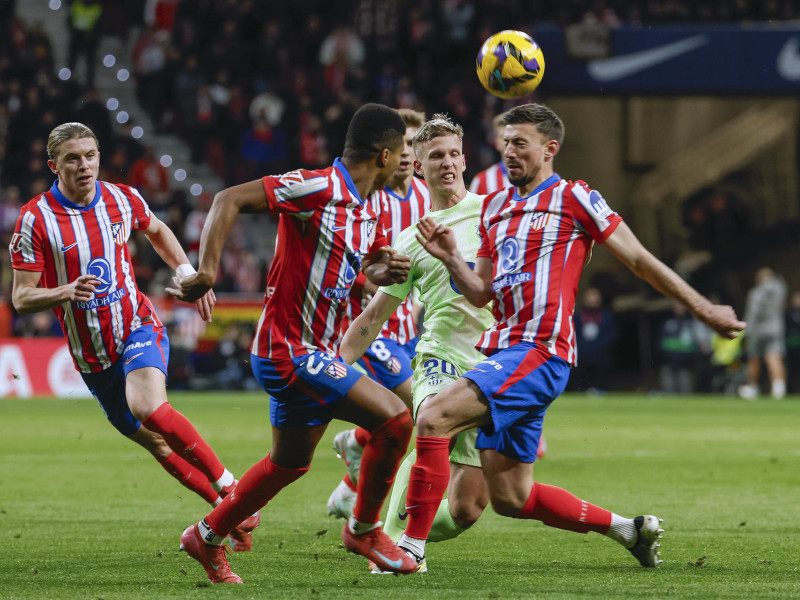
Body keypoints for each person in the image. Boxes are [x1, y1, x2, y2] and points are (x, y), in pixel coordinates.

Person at [395, 103, 746, 571]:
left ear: (550, 149)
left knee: (433, 417)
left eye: (520, 143)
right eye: (505, 143)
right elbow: (480, 292)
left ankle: (406, 548)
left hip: (540, 352)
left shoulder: (575, 198)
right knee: (510, 498)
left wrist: (704, 309)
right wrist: (451, 259)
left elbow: (639, 260)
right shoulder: (496, 208)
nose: (509, 152)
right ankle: (628, 529)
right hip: (504, 351)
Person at [168, 103, 420, 583]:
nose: (408, 159)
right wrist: (206, 272)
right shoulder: (317, 186)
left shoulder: (368, 211)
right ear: (384, 154)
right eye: (404, 150)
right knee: (395, 419)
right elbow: (227, 199)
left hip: (312, 354)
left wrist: (380, 271)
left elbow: (359, 269)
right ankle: (364, 528)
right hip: (290, 350)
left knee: (288, 464)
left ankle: (205, 536)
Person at [8, 122, 259, 550]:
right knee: (159, 446)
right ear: (54, 165)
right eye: (72, 158)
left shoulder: (123, 198)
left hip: (136, 323)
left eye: (90, 155)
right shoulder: (36, 219)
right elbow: (21, 297)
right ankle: (227, 513)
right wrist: (64, 291)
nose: (84, 165)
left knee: (148, 405)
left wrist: (187, 274)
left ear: (99, 157)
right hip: (93, 357)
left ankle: (230, 486)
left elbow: (158, 230)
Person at [337, 114, 496, 573]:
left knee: (468, 509)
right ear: (418, 167)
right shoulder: (412, 240)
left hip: (492, 364)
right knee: (430, 423)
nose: (446, 164)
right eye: (435, 157)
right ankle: (391, 545)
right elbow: (373, 318)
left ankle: (400, 536)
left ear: (464, 158)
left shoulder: (494, 213)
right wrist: (334, 367)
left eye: (452, 154)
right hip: (439, 358)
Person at [327, 108, 430, 519]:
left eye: (414, 143)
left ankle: (354, 456)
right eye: (402, 143)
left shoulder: (425, 196)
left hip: (412, 329)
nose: (407, 153)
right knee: (421, 411)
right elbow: (348, 261)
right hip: (372, 328)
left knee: (402, 417)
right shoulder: (368, 196)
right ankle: (380, 519)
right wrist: (372, 280)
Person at [738, 267, 787, 400]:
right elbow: (782, 284)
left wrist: (746, 332)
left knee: (754, 358)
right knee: (774, 357)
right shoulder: (779, 290)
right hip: (776, 328)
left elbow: (752, 313)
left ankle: (752, 387)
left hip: (758, 330)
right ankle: (778, 388)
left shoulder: (756, 293)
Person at [572, 286, 617, 394]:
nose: (592, 299)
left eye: (595, 296)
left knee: (600, 384)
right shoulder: (577, 317)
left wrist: (599, 345)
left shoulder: (607, 317)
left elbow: (612, 335)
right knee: (580, 384)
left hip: (601, 356)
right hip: (581, 356)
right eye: (590, 296)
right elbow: (572, 334)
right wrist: (583, 346)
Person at [468, 113, 510, 195]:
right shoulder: (481, 182)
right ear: (497, 143)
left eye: (514, 137)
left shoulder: (538, 177)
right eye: (504, 137)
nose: (509, 142)